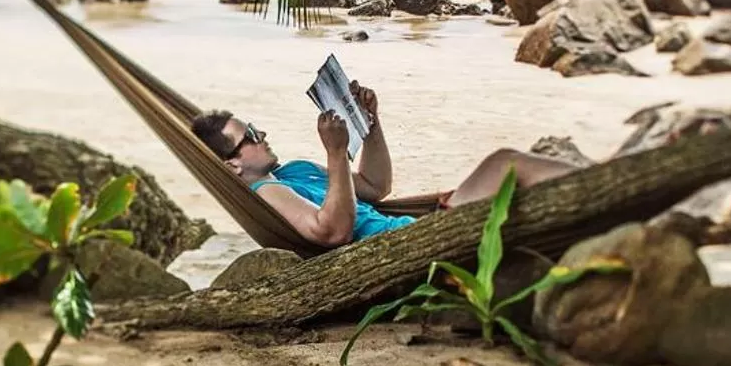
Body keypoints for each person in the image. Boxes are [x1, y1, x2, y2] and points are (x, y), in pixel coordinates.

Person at [191, 80, 577, 248]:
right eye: (250, 137)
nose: (263, 136)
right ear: (233, 166)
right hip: (411, 246)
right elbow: (333, 232)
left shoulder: (294, 170)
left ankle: (604, 188)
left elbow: (376, 187)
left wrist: (370, 124)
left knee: (508, 167)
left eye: (256, 129)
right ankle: (613, 185)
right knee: (507, 165)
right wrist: (336, 153)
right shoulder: (266, 193)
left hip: (418, 229)